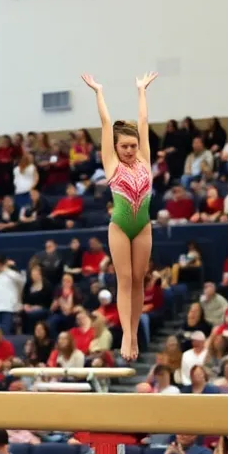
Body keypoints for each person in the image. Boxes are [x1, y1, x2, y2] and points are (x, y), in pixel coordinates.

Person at [81, 71, 157, 360]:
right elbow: (104, 122)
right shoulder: (111, 161)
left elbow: (144, 123)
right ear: (115, 147)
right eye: (124, 146)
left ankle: (134, 333)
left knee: (139, 279)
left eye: (133, 146)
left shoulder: (144, 159)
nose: (129, 150)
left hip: (143, 226)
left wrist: (141, 91)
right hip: (121, 227)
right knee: (124, 279)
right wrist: (99, 92)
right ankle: (127, 335)